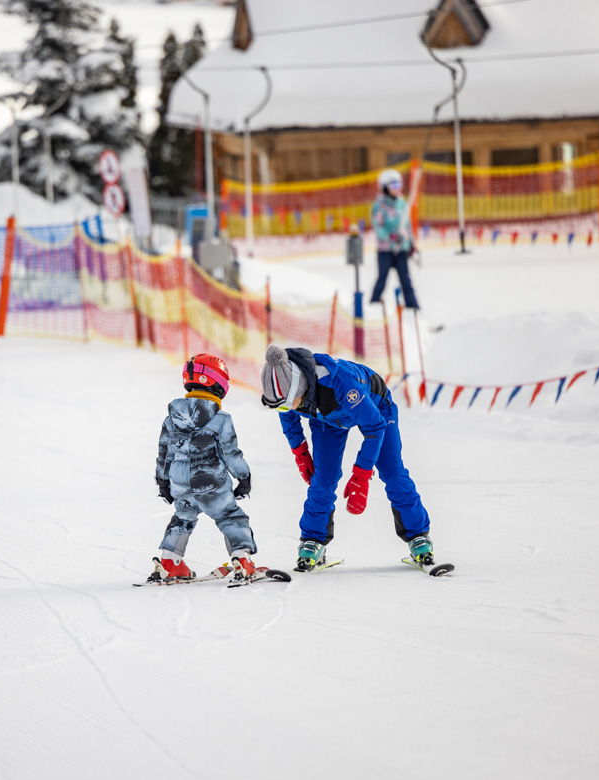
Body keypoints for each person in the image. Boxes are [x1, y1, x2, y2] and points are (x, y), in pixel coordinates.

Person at [259, 343, 434, 571]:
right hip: (328, 420)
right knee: (323, 480)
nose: (283, 410)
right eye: (278, 408)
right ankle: (313, 540)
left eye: (284, 406)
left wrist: (361, 475)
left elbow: (374, 427)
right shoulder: (288, 396)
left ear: (298, 390)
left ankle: (418, 537)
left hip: (375, 409)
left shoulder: (339, 382)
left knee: (392, 472)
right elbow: (289, 418)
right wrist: (300, 453)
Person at [151, 354, 258, 584]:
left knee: (182, 518)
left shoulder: (171, 419)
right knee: (230, 516)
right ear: (219, 383)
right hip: (212, 483)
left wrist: (163, 482)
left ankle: (170, 562)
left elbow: (164, 454)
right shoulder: (221, 419)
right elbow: (230, 453)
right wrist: (244, 477)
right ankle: (242, 559)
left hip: (180, 483)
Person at [368, 168, 419, 310]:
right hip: (385, 251)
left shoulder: (402, 204)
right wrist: (391, 237)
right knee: (382, 279)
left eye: (399, 186)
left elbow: (407, 227)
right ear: (384, 187)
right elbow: (378, 228)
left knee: (406, 281)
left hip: (401, 250)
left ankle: (414, 309)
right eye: (394, 186)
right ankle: (373, 306)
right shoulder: (379, 206)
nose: (397, 189)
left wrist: (411, 244)